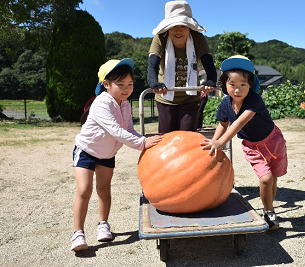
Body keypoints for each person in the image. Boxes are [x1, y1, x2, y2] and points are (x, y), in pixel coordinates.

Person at [71, 58, 162, 251]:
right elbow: (116, 131)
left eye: (129, 84)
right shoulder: (102, 103)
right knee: (84, 190)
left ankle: (103, 225)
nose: (126, 89)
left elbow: (129, 129)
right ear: (106, 84)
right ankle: (78, 234)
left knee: (104, 190)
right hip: (87, 150)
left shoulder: (126, 105)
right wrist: (142, 143)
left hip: (107, 154)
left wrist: (145, 139)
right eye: (120, 84)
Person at [200, 56, 287, 230]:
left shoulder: (254, 100)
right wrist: (215, 141)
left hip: (273, 141)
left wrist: (221, 142)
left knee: (273, 178)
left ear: (251, 86)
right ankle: (269, 212)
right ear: (225, 84)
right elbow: (223, 124)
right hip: (252, 146)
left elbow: (239, 123)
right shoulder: (225, 103)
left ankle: (270, 211)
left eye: (243, 85)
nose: (237, 89)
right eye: (232, 84)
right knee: (266, 178)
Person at [147, 0, 217, 133]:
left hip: (190, 97)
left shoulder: (198, 38)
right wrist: (153, 82)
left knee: (187, 137)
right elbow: (152, 64)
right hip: (165, 96)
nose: (178, 30)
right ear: (168, 28)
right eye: (174, 26)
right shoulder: (160, 38)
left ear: (189, 27)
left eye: (183, 26)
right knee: (166, 138)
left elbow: (209, 64)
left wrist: (211, 80)